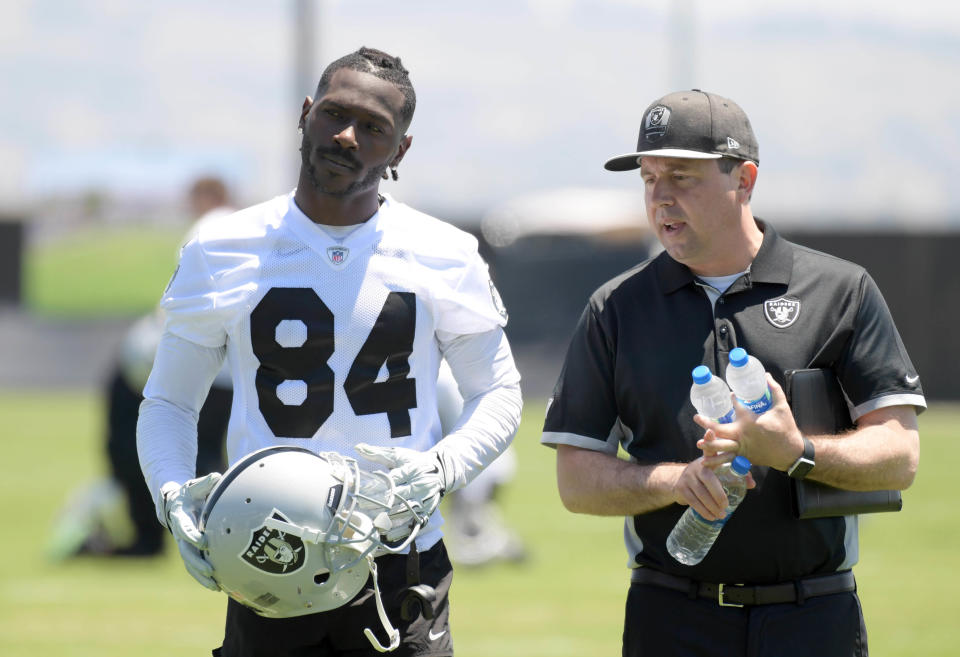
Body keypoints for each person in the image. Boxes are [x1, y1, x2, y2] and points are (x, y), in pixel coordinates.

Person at [137, 47, 522, 657]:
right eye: (335, 115)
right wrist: (171, 493)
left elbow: (497, 392)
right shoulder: (223, 247)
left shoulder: (444, 251)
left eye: (374, 128)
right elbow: (169, 401)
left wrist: (442, 467)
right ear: (306, 114)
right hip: (266, 549)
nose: (347, 136)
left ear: (401, 150)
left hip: (399, 558)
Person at [540, 89, 922, 657]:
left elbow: (899, 456)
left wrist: (796, 451)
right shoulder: (614, 308)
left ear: (744, 180)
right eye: (648, 179)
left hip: (814, 617)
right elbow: (575, 481)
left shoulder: (841, 290)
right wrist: (676, 481)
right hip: (669, 616)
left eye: (681, 177)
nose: (660, 198)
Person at [47, 177, 236, 560]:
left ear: (210, 197)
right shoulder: (250, 232)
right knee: (205, 459)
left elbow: (187, 295)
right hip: (217, 372)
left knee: (135, 451)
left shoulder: (216, 226)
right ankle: (214, 541)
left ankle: (155, 539)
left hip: (166, 366)